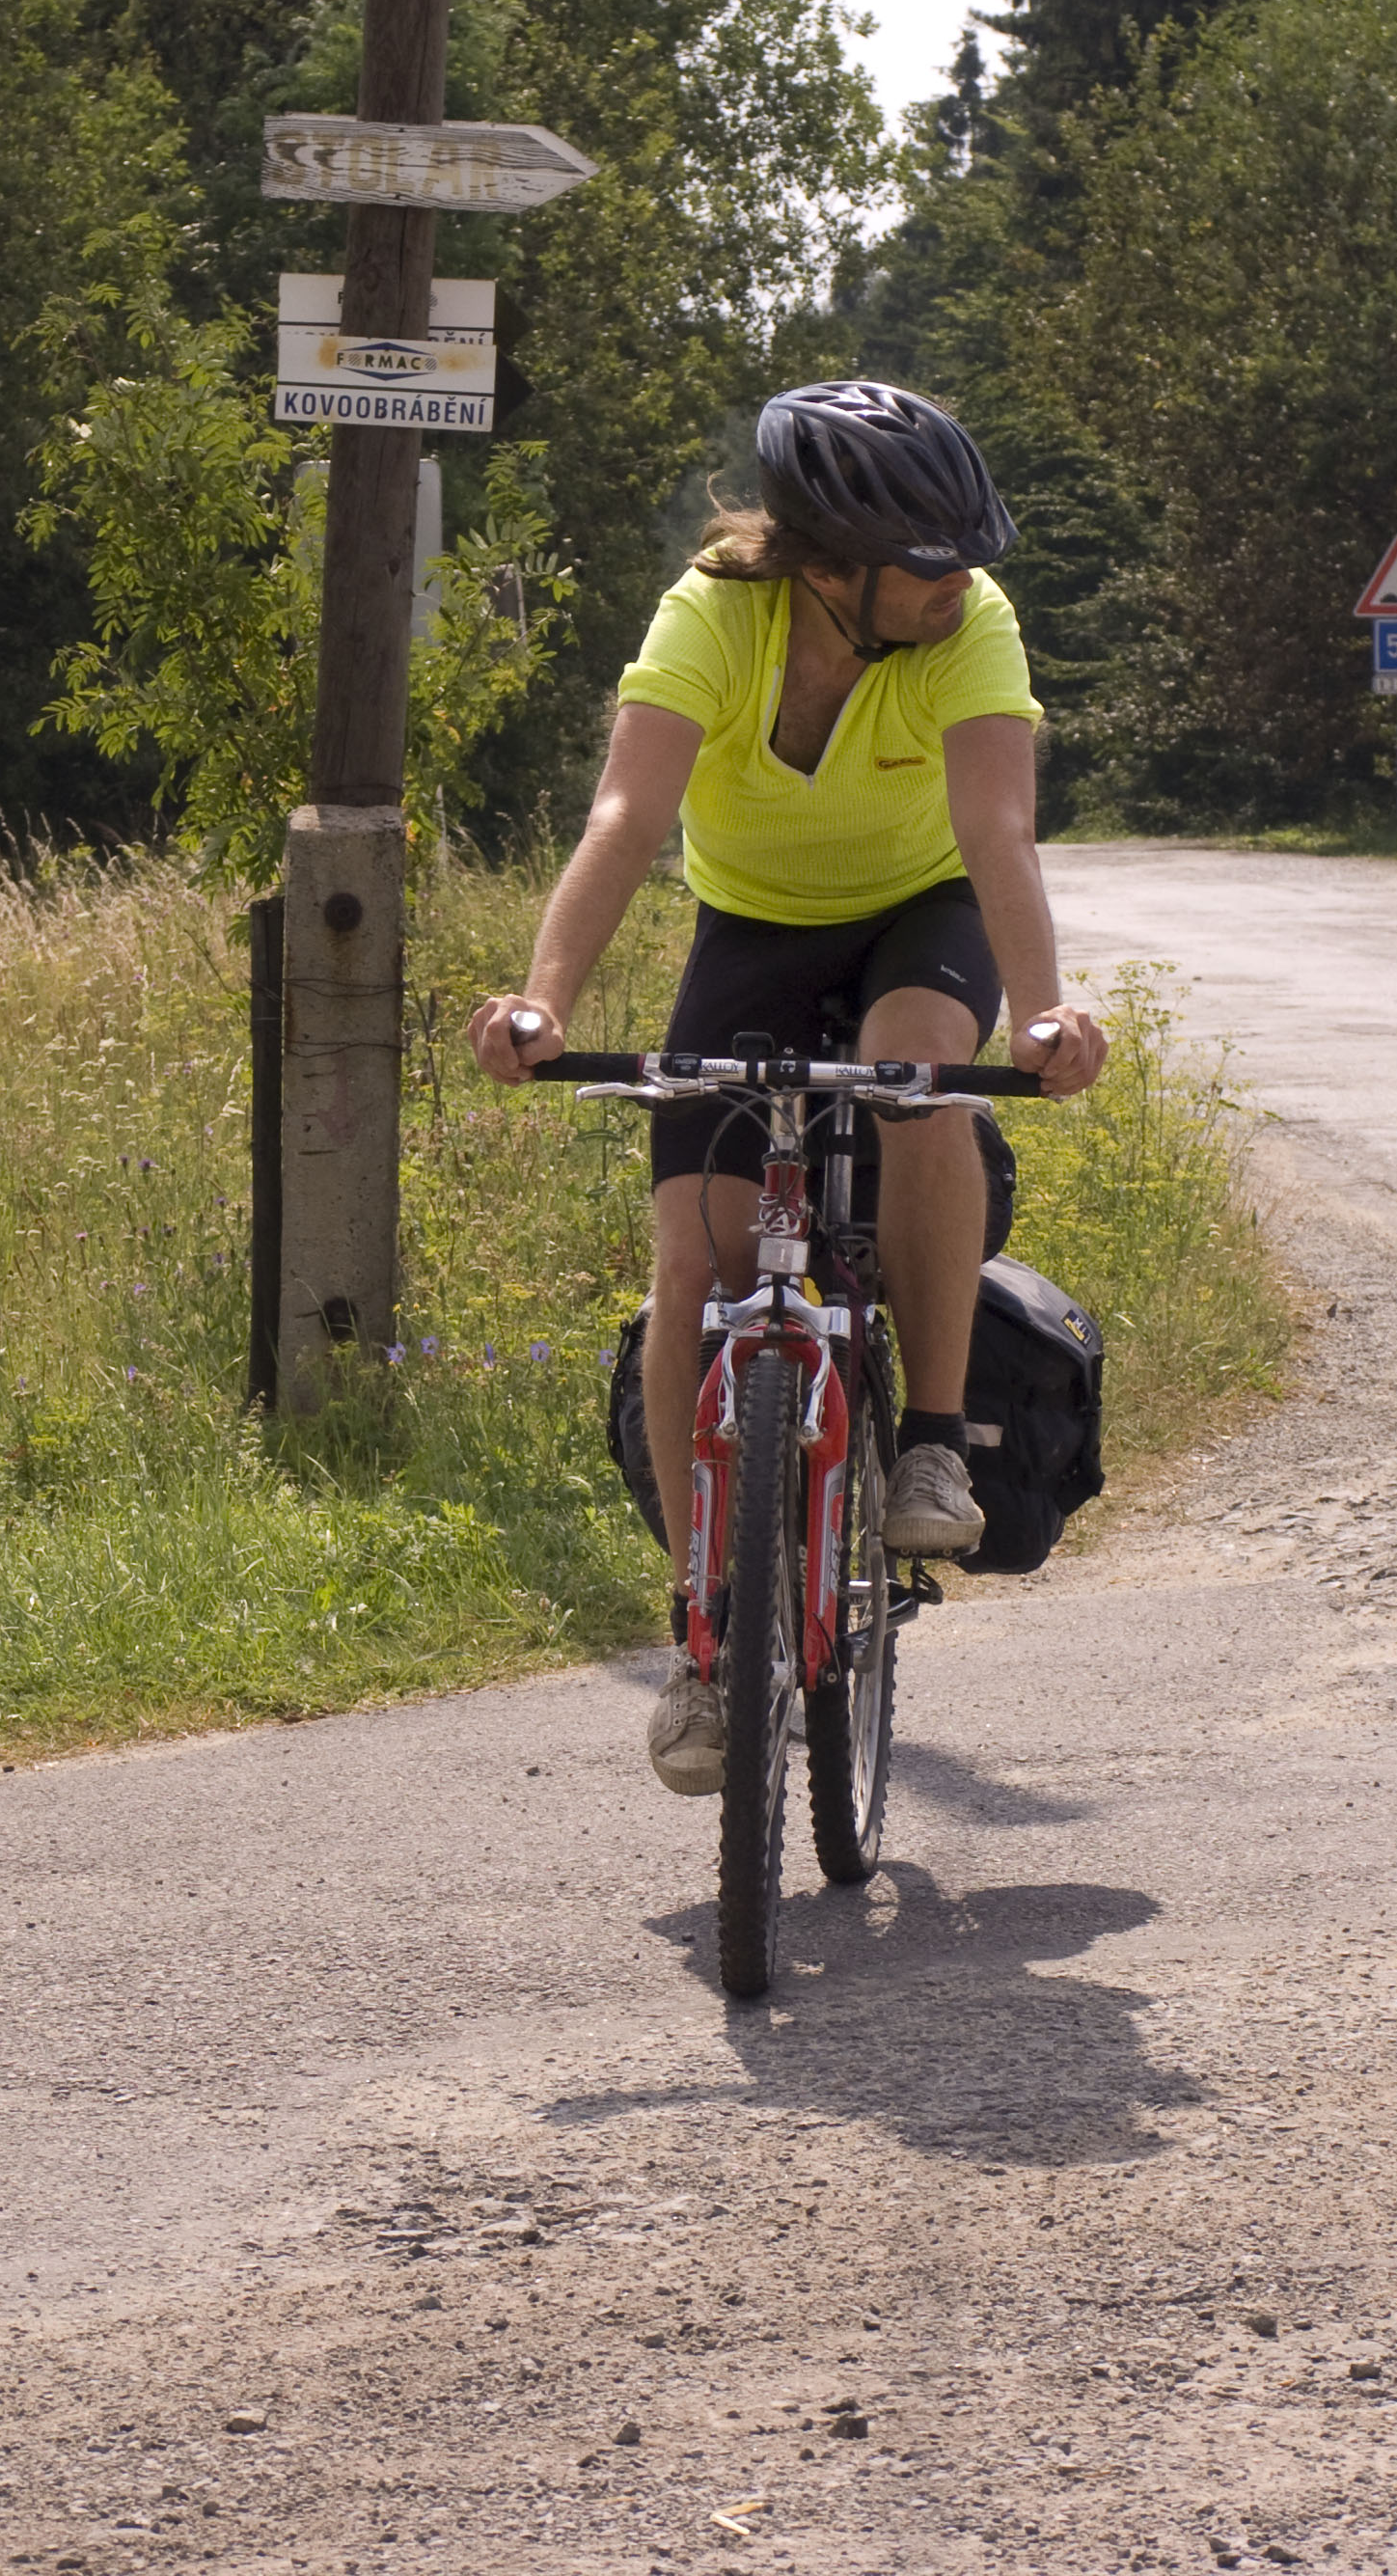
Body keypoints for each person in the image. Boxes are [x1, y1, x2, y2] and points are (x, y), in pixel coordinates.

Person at [469, 379, 1108, 1793]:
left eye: (970, 557)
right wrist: (543, 1000)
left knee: (915, 1072)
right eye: (928, 564)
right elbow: (627, 815)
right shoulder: (714, 616)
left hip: (923, 911)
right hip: (752, 927)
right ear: (829, 568)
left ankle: (930, 1444)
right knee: (691, 1261)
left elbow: (998, 830)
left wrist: (1045, 1010)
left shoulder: (970, 627)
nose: (960, 583)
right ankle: (706, 1638)